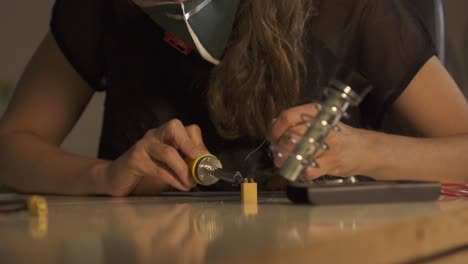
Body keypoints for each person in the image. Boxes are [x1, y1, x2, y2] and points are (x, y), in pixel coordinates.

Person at [0, 0, 467, 196]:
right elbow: (13, 146)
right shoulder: (103, 8)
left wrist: (358, 150)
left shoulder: (349, 9)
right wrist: (106, 175)